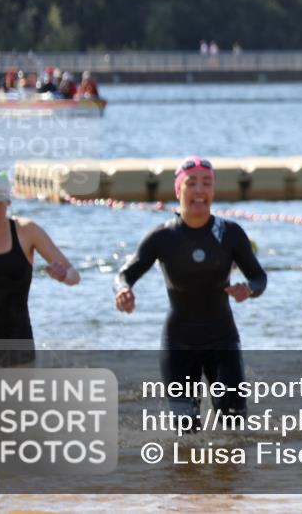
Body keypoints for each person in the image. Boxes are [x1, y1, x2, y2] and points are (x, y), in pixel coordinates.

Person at [113, 157, 267, 423]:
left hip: (223, 342)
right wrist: (123, 290)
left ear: (213, 191)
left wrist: (249, 290)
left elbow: (259, 277)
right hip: (178, 345)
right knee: (185, 431)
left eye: (206, 183)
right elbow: (125, 274)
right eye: (191, 183)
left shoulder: (229, 233)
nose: (199, 190)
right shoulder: (163, 237)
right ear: (178, 190)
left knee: (235, 427)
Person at [0, 167, 80, 372]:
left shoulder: (27, 232)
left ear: (8, 202)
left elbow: (74, 276)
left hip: (18, 339)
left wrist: (63, 275)